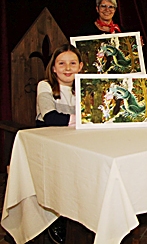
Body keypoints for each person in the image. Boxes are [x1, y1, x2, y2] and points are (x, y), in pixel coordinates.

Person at [35, 44, 83, 243]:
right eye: (61, 63)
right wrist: (84, 118)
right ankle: (56, 218)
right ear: (53, 68)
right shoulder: (45, 85)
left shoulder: (85, 86)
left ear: (80, 66)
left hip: (75, 139)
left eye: (73, 63)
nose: (67, 68)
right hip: (49, 140)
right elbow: (51, 118)